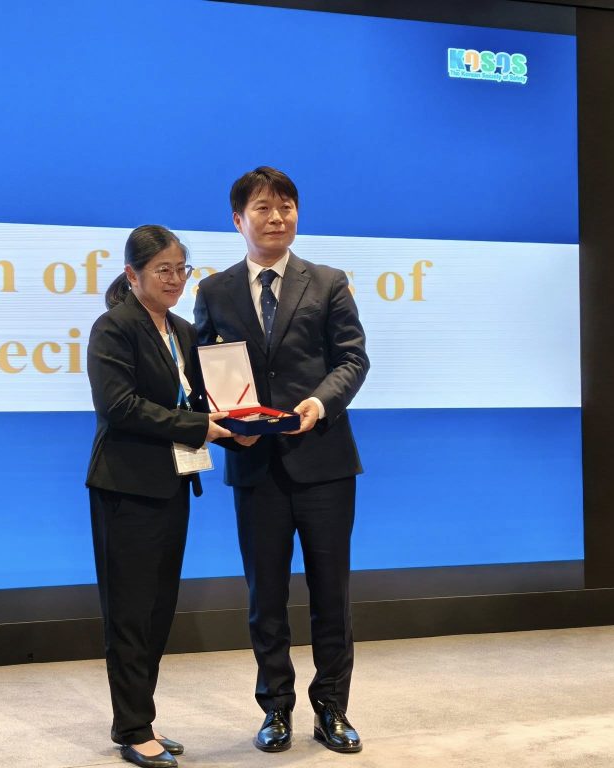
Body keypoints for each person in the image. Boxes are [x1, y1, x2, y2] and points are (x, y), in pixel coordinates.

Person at [194, 167, 370, 754]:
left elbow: (353, 359)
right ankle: (275, 708)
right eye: (264, 208)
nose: (277, 218)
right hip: (255, 466)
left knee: (331, 594)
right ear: (238, 219)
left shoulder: (328, 282)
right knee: (264, 596)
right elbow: (204, 372)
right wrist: (227, 430)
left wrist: (319, 404)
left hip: (325, 462)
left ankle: (333, 708)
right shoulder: (214, 291)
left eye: (287, 206)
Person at [86, 224, 233, 768]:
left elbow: (199, 400)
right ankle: (132, 728)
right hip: (125, 487)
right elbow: (119, 406)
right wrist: (199, 427)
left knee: (157, 608)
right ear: (133, 274)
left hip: (171, 482)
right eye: (162, 270)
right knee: (129, 611)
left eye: (181, 270)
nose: (174, 280)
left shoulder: (183, 331)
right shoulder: (113, 327)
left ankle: (140, 718)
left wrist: (239, 422)